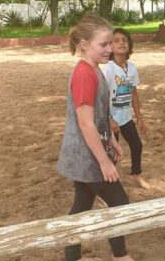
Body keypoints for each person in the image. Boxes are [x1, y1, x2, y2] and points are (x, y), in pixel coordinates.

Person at [57, 15, 134, 261]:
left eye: (111, 43)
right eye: (104, 45)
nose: (110, 49)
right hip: (87, 158)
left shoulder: (94, 70)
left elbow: (98, 115)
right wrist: (104, 161)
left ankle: (73, 257)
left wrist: (110, 137)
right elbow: (85, 122)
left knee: (81, 206)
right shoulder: (84, 75)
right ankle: (119, 255)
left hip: (89, 154)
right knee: (119, 204)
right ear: (84, 44)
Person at [102, 28, 149, 189]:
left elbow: (134, 95)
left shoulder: (132, 68)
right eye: (116, 40)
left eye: (124, 40)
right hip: (111, 120)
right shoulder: (107, 69)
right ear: (110, 47)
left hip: (125, 118)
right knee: (112, 155)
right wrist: (109, 119)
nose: (121, 42)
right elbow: (101, 98)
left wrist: (139, 118)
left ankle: (136, 174)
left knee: (137, 145)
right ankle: (104, 187)